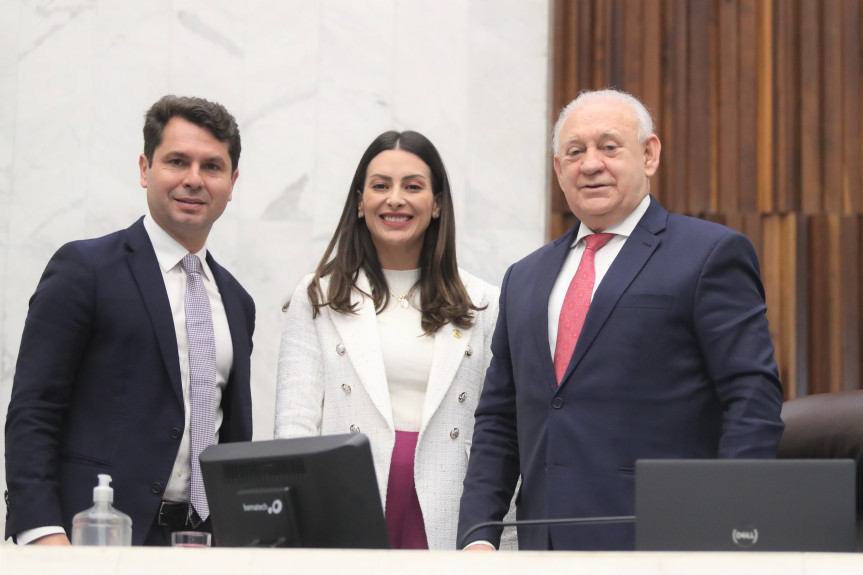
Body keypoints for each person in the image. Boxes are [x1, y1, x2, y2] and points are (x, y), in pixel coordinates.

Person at [457, 89, 785, 551]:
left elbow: (752, 400)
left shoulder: (709, 255)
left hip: (666, 543)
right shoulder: (524, 278)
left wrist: (728, 528)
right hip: (541, 545)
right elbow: (498, 418)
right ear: (558, 169)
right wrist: (477, 533)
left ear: (649, 155)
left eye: (609, 147)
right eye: (575, 152)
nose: (590, 164)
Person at [4, 95, 255, 546]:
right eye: (177, 161)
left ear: (232, 182)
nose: (193, 179)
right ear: (145, 169)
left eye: (212, 167)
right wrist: (42, 533)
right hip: (93, 537)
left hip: (203, 544)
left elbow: (231, 436)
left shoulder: (237, 302)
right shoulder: (85, 269)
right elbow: (34, 410)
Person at [275, 130, 515, 550]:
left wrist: (497, 537)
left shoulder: (484, 303)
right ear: (360, 202)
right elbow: (295, 426)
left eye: (413, 186)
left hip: (446, 504)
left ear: (437, 203)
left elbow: (500, 432)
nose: (395, 199)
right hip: (344, 499)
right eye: (381, 185)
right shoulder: (319, 295)